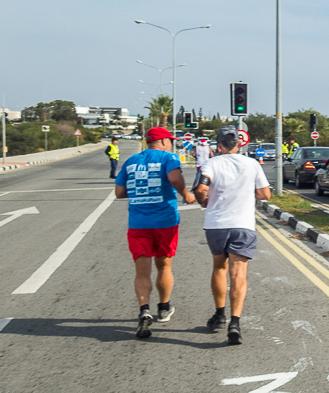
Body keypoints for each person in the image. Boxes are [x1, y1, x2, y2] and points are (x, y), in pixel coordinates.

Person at [194, 125, 272, 345]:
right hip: (243, 225)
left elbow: (201, 188)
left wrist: (203, 201)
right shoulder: (252, 164)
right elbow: (265, 194)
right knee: (239, 274)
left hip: (216, 225)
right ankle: (235, 322)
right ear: (239, 144)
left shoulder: (212, 163)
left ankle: (219, 314)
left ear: (218, 145)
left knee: (219, 267)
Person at [114, 127, 195, 338]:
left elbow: (119, 192)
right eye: (170, 140)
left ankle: (144, 310)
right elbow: (175, 179)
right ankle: (164, 307)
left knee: (141, 270)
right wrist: (185, 194)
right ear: (164, 141)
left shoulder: (131, 161)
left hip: (138, 223)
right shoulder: (169, 157)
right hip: (165, 222)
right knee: (164, 265)